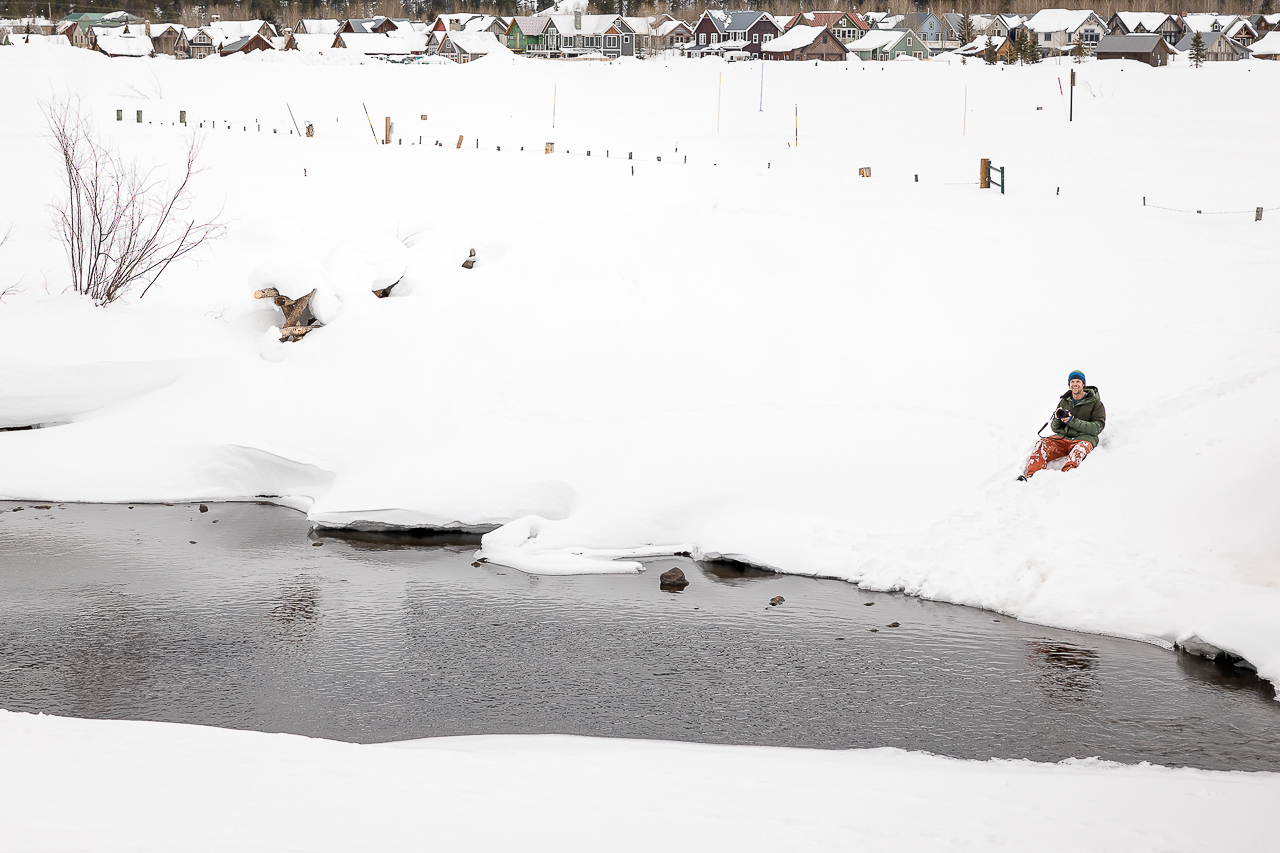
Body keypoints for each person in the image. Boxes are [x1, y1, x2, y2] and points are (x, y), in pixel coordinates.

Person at [1019, 371, 1105, 480]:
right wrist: (1056, 418)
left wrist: (1071, 420)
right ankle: (1032, 477)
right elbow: (1055, 428)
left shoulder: (1096, 404)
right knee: (1042, 444)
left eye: (1078, 381)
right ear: (1069, 384)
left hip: (1084, 439)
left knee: (1077, 452)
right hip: (1063, 438)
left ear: (1083, 384)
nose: (1075, 384)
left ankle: (1065, 480)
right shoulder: (1064, 401)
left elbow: (1097, 428)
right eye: (1072, 381)